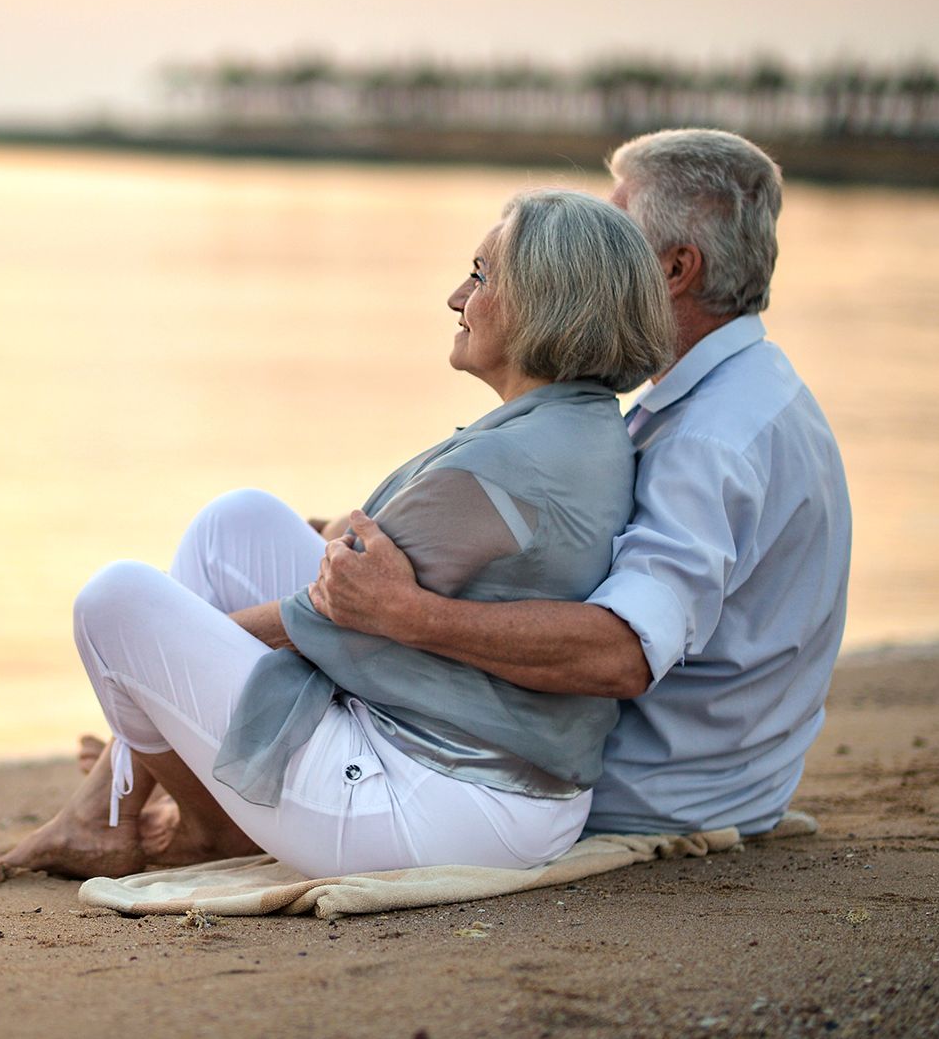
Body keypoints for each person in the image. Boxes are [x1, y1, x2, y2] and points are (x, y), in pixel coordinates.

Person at [0, 189, 675, 880]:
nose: (455, 296)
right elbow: (366, 569)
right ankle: (118, 810)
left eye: (480, 274)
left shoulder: (506, 462)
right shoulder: (579, 427)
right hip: (511, 791)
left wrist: (153, 673)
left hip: (441, 807)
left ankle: (184, 825)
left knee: (117, 603)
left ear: (543, 302)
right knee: (238, 522)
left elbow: (327, 618)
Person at [311, 128, 852, 837]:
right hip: (726, 775)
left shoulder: (706, 442)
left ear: (674, 269)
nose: (581, 242)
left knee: (334, 644)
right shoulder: (758, 391)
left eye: (612, 225)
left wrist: (404, 612)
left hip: (649, 789)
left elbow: (622, 653)